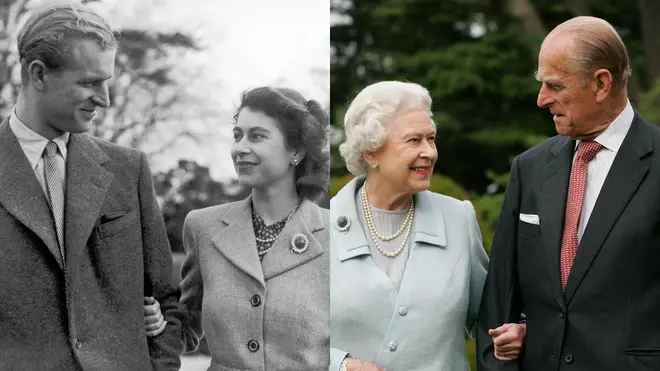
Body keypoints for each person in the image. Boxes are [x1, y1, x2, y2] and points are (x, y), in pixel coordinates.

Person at [0, 2, 183, 370]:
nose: (106, 99)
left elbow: (166, 301)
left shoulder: (129, 169)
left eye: (107, 81)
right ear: (38, 75)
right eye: (88, 82)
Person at [477, 16, 660, 371]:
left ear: (601, 84)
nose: (541, 99)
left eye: (555, 86)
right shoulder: (528, 169)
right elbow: (497, 307)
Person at [329, 81, 525, 371]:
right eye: (413, 140)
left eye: (431, 139)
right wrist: (339, 365)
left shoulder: (458, 218)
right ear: (371, 152)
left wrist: (517, 329)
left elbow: (491, 317)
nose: (430, 153)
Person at [147, 87, 331, 370]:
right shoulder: (202, 227)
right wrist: (159, 323)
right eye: (237, 135)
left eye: (256, 136)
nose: (240, 148)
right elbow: (185, 327)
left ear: (297, 149)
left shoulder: (337, 236)